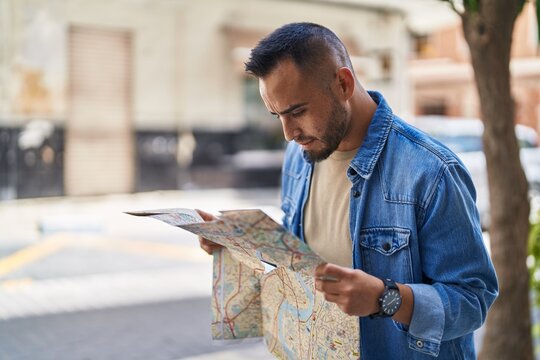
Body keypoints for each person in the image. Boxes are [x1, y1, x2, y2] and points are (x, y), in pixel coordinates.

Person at [199, 22, 498, 359]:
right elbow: (307, 253)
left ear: (343, 83)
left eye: (297, 111)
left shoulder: (430, 171)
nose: (288, 133)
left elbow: (474, 300)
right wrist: (242, 243)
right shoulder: (299, 157)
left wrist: (386, 298)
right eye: (277, 115)